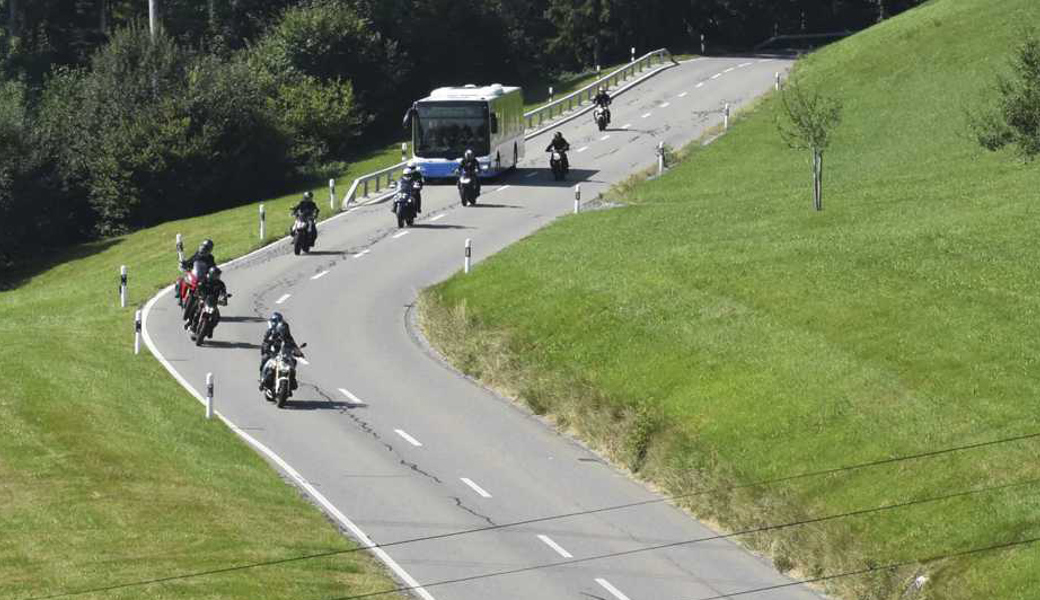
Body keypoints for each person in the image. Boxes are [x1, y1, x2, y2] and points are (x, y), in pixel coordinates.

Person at [259, 313, 299, 391]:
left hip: (284, 354)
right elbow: (265, 342)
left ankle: (292, 380)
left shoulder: (286, 333)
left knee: (293, 361)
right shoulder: (270, 332)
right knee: (265, 359)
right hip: (273, 353)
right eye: (274, 321)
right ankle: (262, 379)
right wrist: (266, 349)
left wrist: (297, 351)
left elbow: (292, 342)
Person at [186, 266, 229, 332]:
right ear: (211, 274)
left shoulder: (221, 284)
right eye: (216, 275)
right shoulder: (204, 280)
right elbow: (198, 287)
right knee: (195, 310)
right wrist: (197, 293)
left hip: (213, 302)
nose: (218, 277)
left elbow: (223, 292)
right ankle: (191, 324)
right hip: (203, 299)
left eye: (218, 275)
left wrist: (224, 298)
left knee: (217, 317)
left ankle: (210, 329)